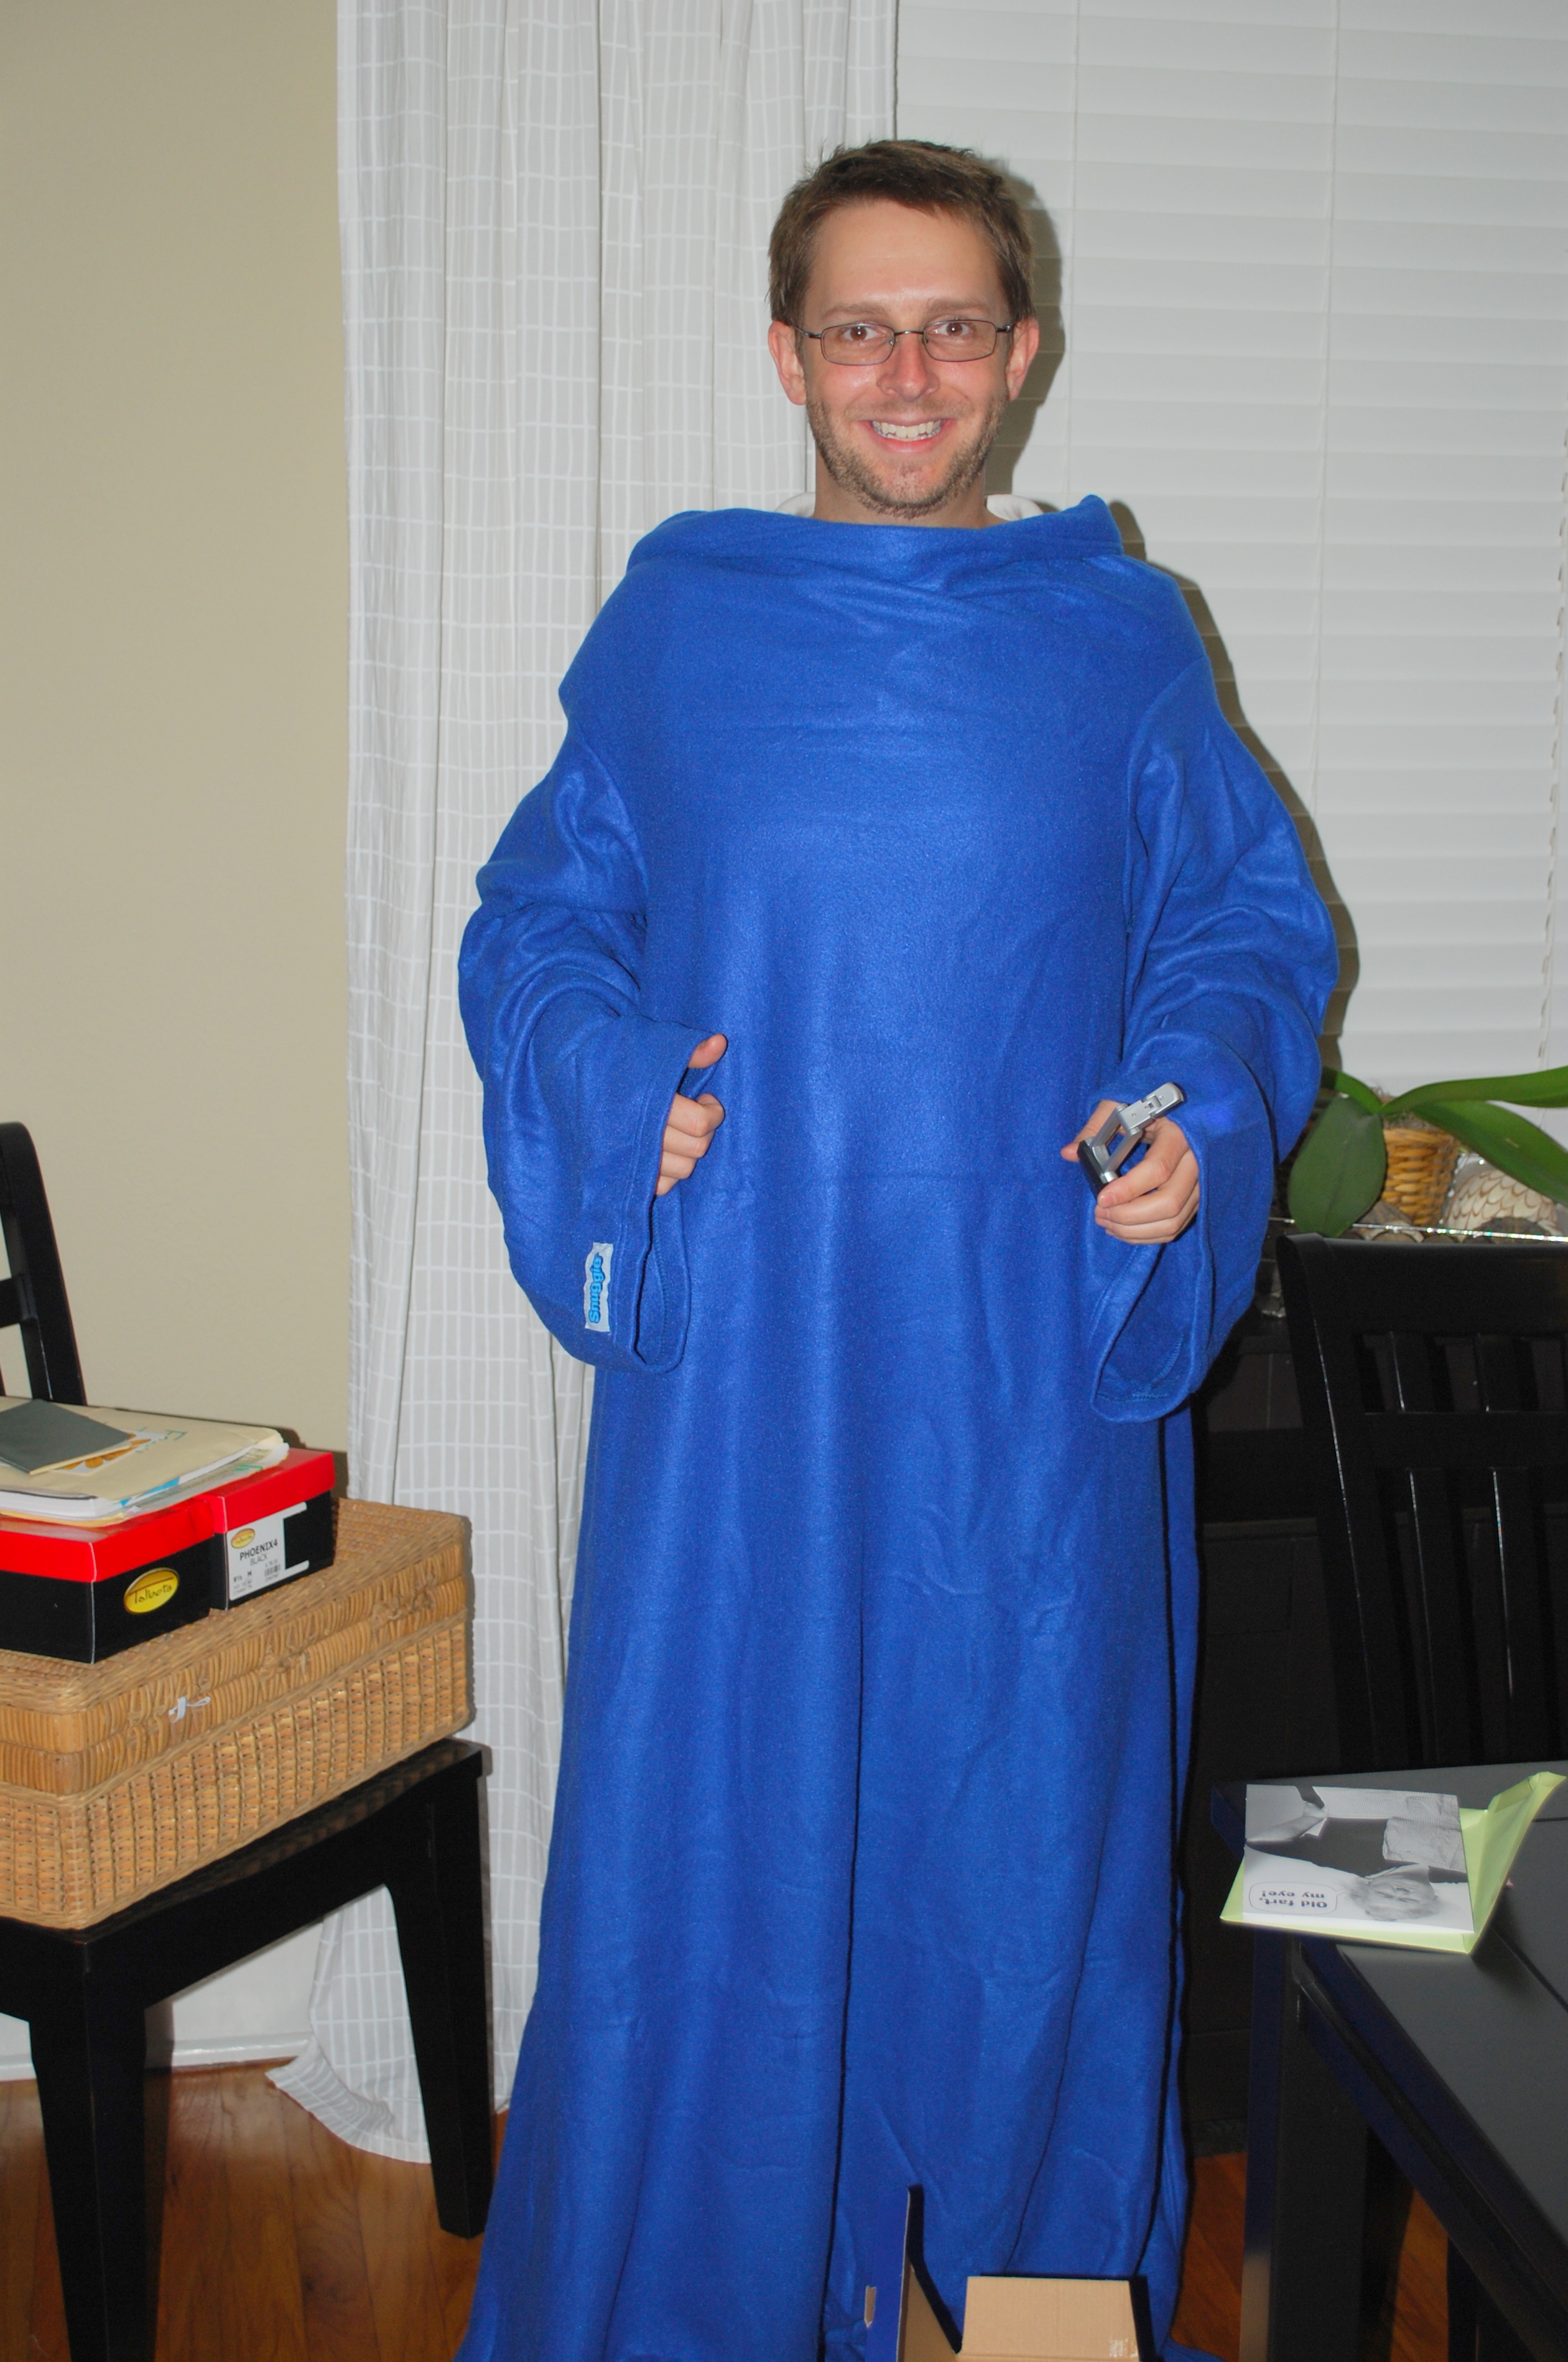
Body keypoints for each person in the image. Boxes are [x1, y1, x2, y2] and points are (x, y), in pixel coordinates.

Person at [456, 139, 1336, 2362]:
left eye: (954, 326)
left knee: (1027, 1866)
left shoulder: (1121, 642)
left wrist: (1190, 1110)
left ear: (1022, 352)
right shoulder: (678, 630)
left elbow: (1243, 931)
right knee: (715, 1857)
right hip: (743, 1380)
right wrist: (613, 1084)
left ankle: (1022, 2321)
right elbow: (539, 923)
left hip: (1022, 1382)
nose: (909, 373)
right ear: (789, 355)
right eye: (861, 328)